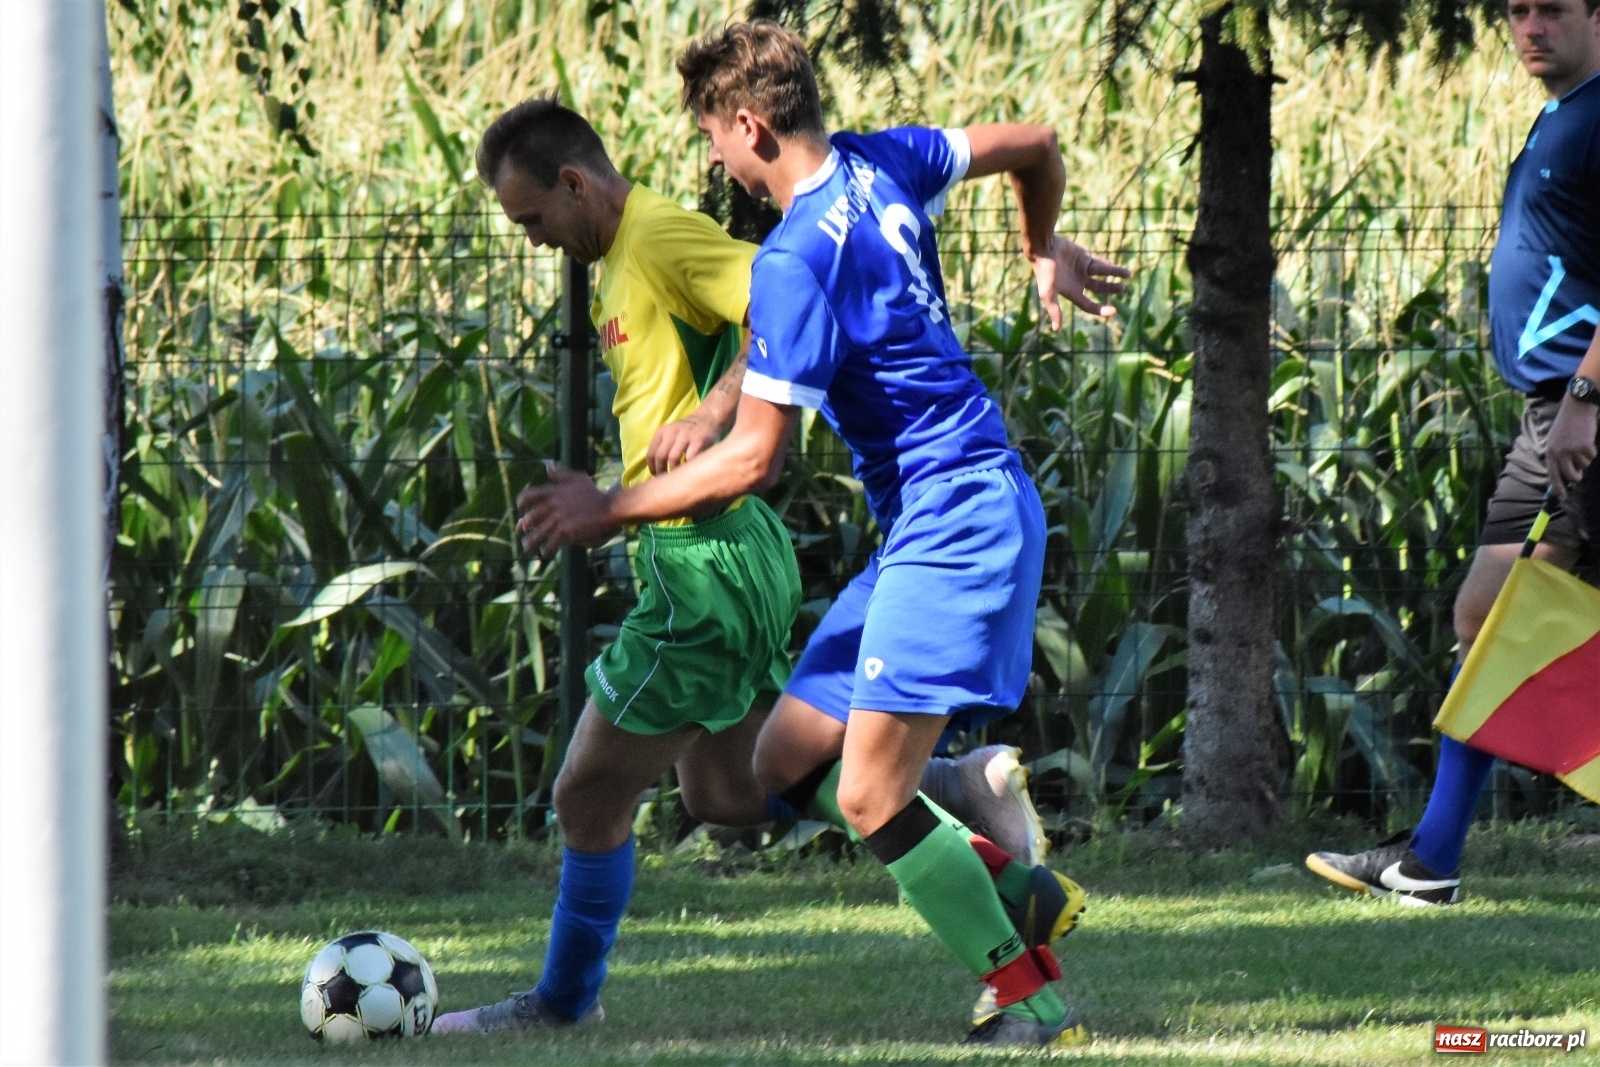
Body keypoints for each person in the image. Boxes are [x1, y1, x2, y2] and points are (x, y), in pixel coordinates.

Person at [515, 22, 1129, 1048]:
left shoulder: (795, 259)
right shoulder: (884, 158)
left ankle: (1029, 998)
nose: (716, 160)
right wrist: (1040, 245)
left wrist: (606, 507)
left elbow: (757, 461)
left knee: (870, 792)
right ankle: (1010, 879)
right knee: (779, 760)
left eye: (713, 138)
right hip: (947, 508)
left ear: (750, 126)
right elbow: (1035, 143)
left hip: (955, 515)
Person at [1307, 0, 1600, 906]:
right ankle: (1430, 858)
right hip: (1551, 413)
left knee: (1506, 620)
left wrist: (1587, 396)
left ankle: (1432, 858)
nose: (1531, 27)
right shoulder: (1563, 116)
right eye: (1517, 11)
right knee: (1488, 617)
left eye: (1552, 9)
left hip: (1583, 411)